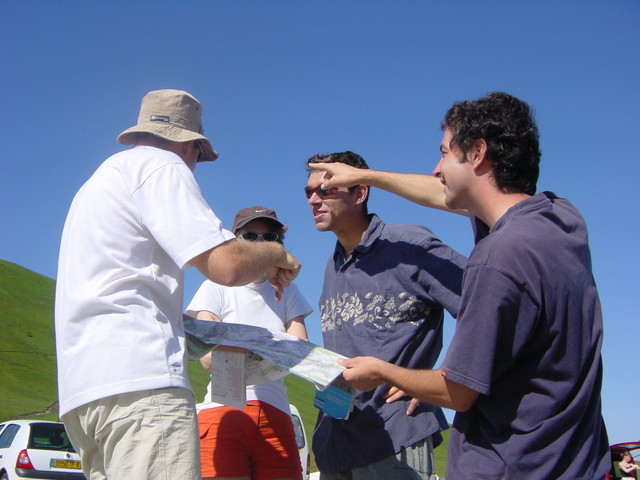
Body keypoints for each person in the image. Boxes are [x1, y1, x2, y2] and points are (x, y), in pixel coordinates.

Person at [315, 92, 610, 479]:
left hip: (513, 464)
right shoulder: (562, 220)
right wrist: (365, 176)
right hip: (575, 461)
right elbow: (447, 194)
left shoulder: (497, 259)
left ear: (477, 153)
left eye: (443, 153)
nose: (436, 169)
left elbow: (458, 391)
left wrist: (388, 372)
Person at [54, 89, 301, 480]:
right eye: (199, 158)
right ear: (190, 147)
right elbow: (228, 266)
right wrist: (276, 254)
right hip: (143, 385)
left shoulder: (99, 181)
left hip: (84, 393)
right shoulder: (162, 167)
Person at [305, 151, 467, 480]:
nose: (312, 200)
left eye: (324, 190)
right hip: (336, 444)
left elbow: (487, 305)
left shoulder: (410, 245)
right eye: (308, 192)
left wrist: (442, 378)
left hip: (395, 438)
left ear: (360, 192)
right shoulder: (332, 264)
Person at [185, 206, 312, 480]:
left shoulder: (289, 293)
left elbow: (301, 352)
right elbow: (206, 356)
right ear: (235, 241)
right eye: (250, 236)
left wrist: (239, 344)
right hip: (221, 412)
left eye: (269, 237)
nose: (260, 243)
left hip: (275, 413)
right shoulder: (215, 287)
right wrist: (266, 347)